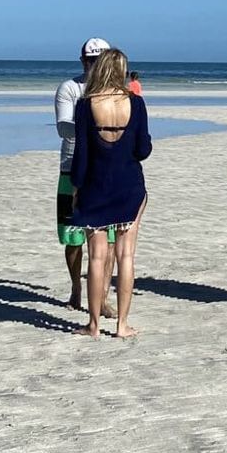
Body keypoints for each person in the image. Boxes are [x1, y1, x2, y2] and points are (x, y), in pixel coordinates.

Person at [68, 48, 152, 338]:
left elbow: (81, 155)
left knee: (96, 257)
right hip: (128, 185)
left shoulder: (85, 105)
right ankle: (122, 325)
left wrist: (76, 187)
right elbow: (144, 150)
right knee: (126, 256)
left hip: (95, 185)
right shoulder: (137, 104)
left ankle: (93, 325)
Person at [55, 37, 112, 313]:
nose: (96, 66)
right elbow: (63, 128)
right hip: (71, 165)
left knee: (109, 237)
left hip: (106, 169)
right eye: (91, 61)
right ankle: (77, 287)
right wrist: (91, 121)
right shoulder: (69, 88)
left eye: (101, 61)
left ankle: (101, 296)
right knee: (72, 235)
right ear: (83, 62)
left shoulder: (117, 91)